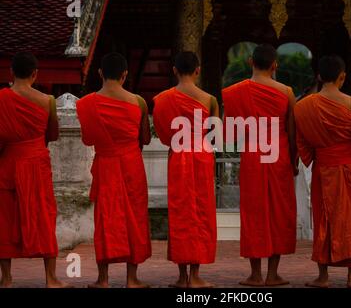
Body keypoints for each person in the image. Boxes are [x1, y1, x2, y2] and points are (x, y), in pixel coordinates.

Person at [222, 44, 297, 286]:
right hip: (279, 156)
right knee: (279, 211)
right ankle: (273, 274)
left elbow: (228, 132)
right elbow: (293, 132)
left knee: (253, 211)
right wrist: (294, 161)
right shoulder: (286, 92)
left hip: (253, 155)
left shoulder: (236, 91)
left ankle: (255, 274)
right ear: (275, 65)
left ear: (250, 63)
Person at [295, 55, 351, 288]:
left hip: (323, 167)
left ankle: (323, 276)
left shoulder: (302, 106)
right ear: (342, 76)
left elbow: (301, 141)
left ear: (319, 76)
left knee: (323, 218)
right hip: (349, 165)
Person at [76, 52, 152, 288]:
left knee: (105, 218)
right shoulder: (138, 101)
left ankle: (103, 279)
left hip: (106, 164)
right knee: (135, 218)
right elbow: (146, 139)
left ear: (100, 73)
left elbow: (88, 140)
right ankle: (132, 279)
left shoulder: (86, 103)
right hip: (132, 164)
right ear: (125, 75)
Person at [0, 52, 69, 288]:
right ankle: (51, 278)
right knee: (44, 217)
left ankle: (6, 278)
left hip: (8, 163)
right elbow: (53, 135)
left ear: (11, 73)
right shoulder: (47, 100)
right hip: (37, 163)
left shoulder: (2, 98)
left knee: (5, 220)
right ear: (35, 74)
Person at [153, 51, 217, 288]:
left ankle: (182, 276)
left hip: (178, 156)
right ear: (198, 70)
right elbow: (215, 134)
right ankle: (196, 275)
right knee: (201, 212)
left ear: (174, 71)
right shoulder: (209, 99)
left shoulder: (162, 99)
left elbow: (161, 133)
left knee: (181, 212)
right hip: (202, 156)